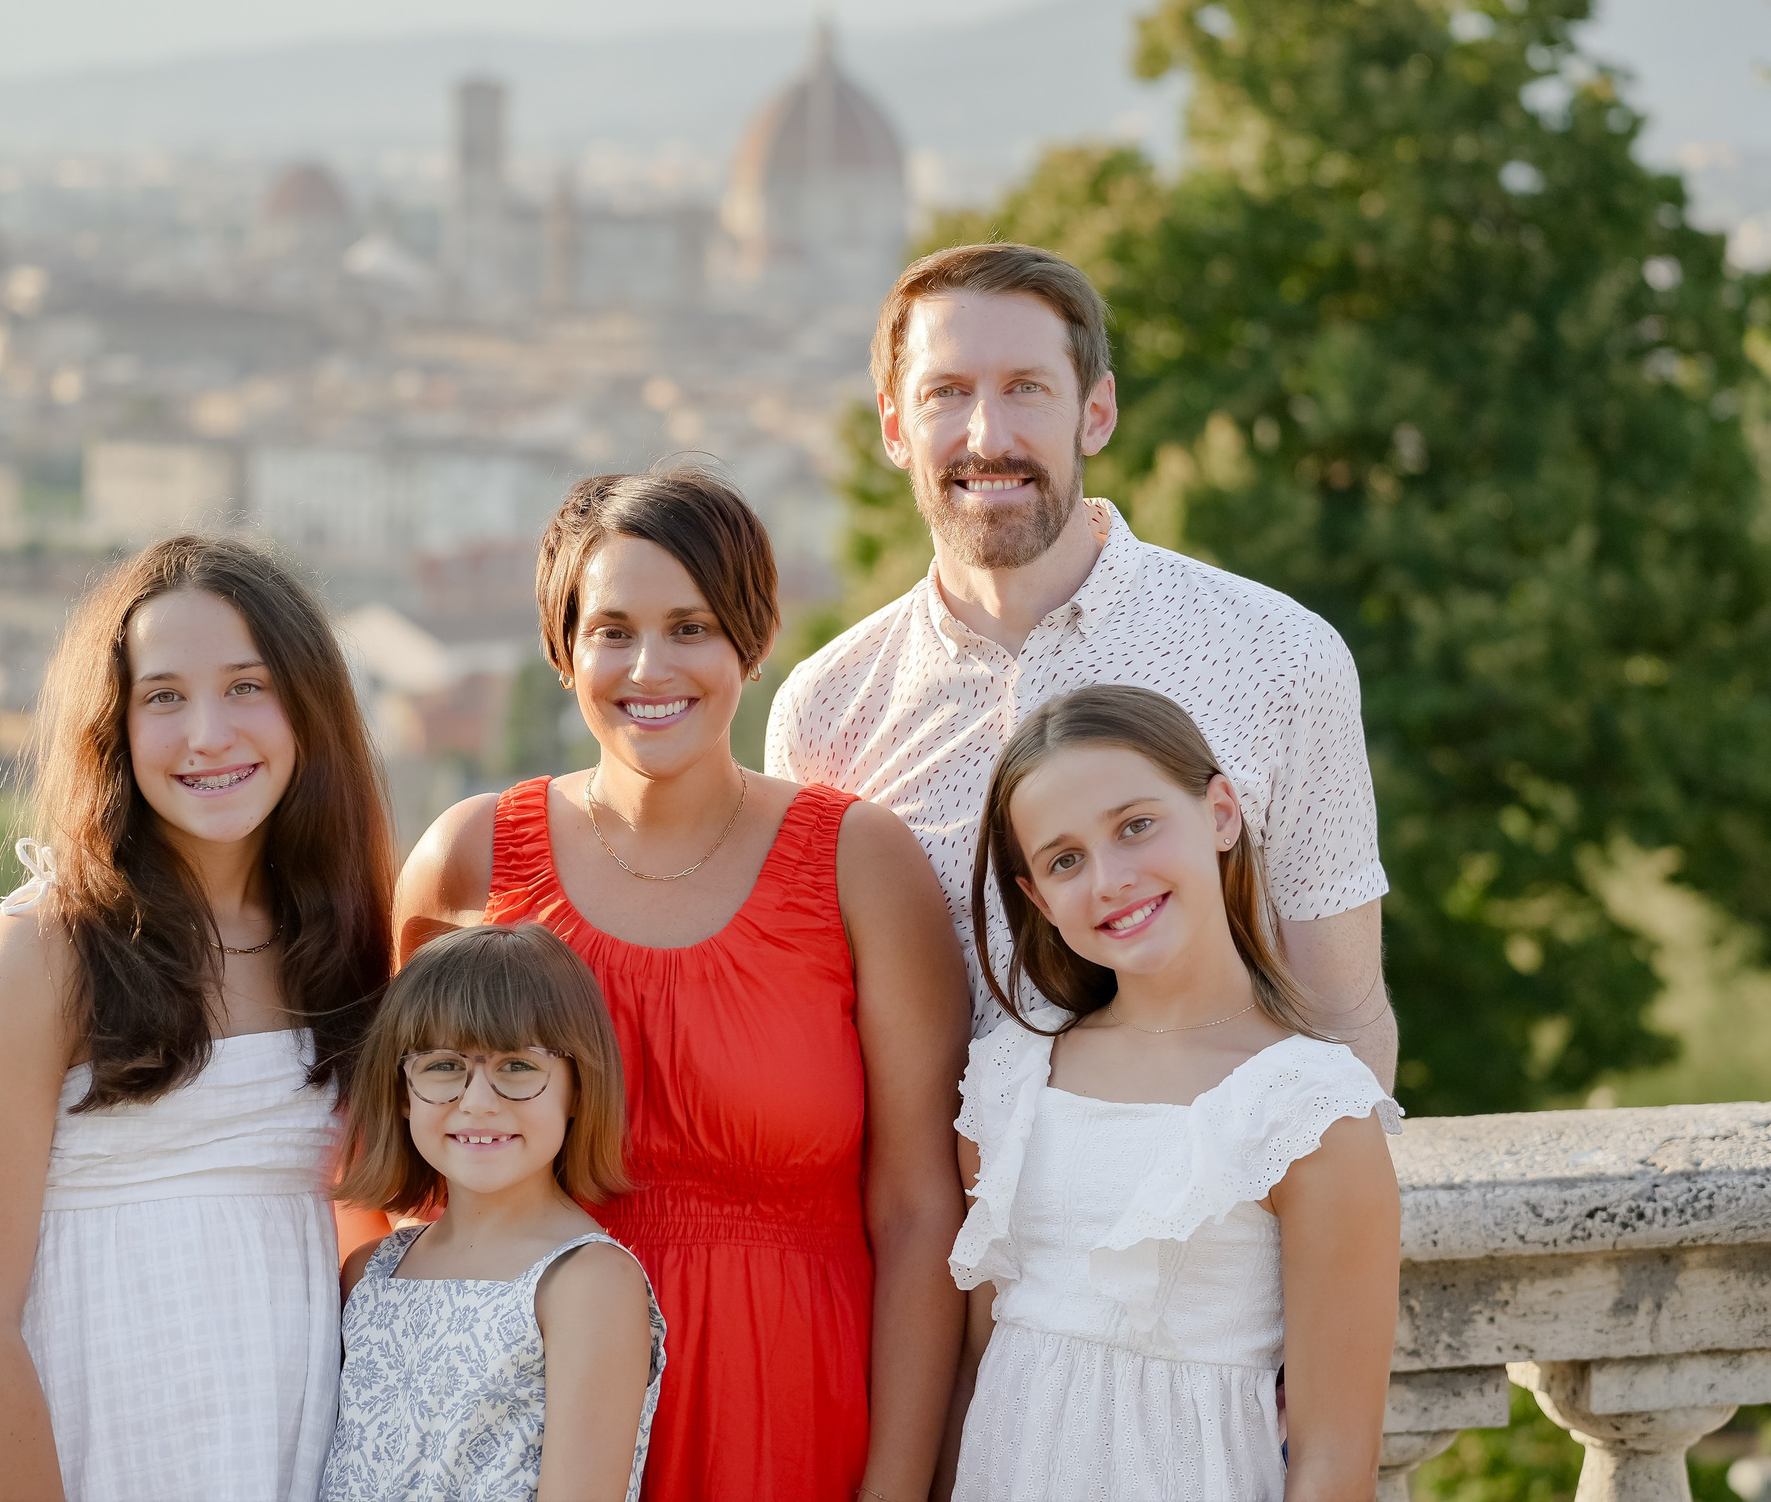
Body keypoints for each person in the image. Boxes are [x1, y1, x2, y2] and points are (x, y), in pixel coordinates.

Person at [397, 466, 970, 1502]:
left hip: (794, 1416)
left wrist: (896, 1489)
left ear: (751, 642)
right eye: (610, 629)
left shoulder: (860, 866)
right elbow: (401, 1192)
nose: (648, 665)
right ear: (562, 651)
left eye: (691, 626)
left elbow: (919, 1211)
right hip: (532, 1430)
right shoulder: (468, 864)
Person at [765, 242, 1396, 1083]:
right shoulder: (825, 710)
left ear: (1095, 412)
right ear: (894, 427)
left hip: (1215, 1205)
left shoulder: (1280, 654)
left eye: (1027, 387)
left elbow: (1343, 1015)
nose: (988, 434)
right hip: (952, 1210)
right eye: (947, 393)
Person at [0, 536, 395, 1502]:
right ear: (113, 727)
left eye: (248, 686)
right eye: (164, 696)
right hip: (74, 1452)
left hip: (272, 1448)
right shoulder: (39, 950)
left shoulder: (338, 944)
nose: (207, 732)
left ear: (308, 708)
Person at [946, 684, 1400, 1502]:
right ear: (1039, 899)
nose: (1111, 878)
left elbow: (1335, 1459)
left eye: (1136, 825)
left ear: (1221, 812)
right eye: (1065, 859)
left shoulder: (1310, 1109)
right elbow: (978, 1364)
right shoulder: (1010, 1081)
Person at [324, 922, 666, 1502]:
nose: (477, 1102)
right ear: (402, 1092)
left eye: (517, 1066)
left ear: (578, 1087)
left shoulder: (587, 1282)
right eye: (442, 1066)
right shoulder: (368, 1274)